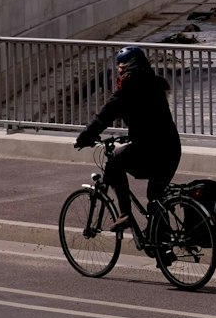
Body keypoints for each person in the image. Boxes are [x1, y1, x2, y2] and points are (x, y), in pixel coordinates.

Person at [74, 46, 182, 237]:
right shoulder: (156, 84)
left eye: (121, 68)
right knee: (155, 196)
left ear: (128, 67)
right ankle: (163, 243)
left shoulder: (128, 90)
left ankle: (125, 214)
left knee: (115, 161)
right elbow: (151, 121)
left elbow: (103, 117)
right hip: (171, 149)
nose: (119, 72)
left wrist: (84, 137)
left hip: (151, 150)